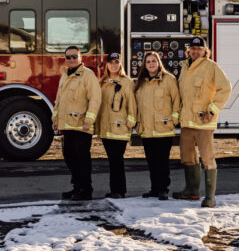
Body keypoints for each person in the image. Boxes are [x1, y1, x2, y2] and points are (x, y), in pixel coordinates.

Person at [173, 37, 231, 208]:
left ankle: (210, 197)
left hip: (204, 122)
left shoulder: (211, 67)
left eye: (199, 49)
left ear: (206, 51)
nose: (196, 51)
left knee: (207, 158)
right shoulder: (184, 67)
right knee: (188, 157)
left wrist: (212, 110)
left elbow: (225, 89)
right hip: (187, 123)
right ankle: (192, 191)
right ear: (188, 50)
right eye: (193, 49)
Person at [52, 45, 101, 201]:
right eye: (68, 57)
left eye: (74, 56)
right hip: (67, 125)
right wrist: (55, 119)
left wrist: (89, 120)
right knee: (69, 157)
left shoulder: (88, 75)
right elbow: (59, 100)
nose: (71, 59)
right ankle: (77, 187)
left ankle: (86, 190)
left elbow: (95, 99)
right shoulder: (65, 75)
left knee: (82, 158)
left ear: (81, 58)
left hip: (81, 125)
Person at [135, 51, 180, 200]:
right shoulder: (141, 82)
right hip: (147, 129)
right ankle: (154, 189)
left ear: (159, 62)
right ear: (144, 65)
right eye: (148, 62)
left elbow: (176, 100)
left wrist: (174, 120)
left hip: (163, 129)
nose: (151, 64)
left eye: (154, 61)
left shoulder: (168, 79)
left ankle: (163, 189)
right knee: (152, 162)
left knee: (162, 162)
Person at [96, 52, 137, 199]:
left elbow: (132, 104)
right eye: (111, 62)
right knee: (113, 160)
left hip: (120, 127)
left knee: (117, 160)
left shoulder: (126, 82)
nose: (114, 65)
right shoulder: (102, 82)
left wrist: (130, 124)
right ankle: (115, 189)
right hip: (106, 128)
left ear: (120, 64)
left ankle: (119, 191)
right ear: (106, 64)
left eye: (116, 62)